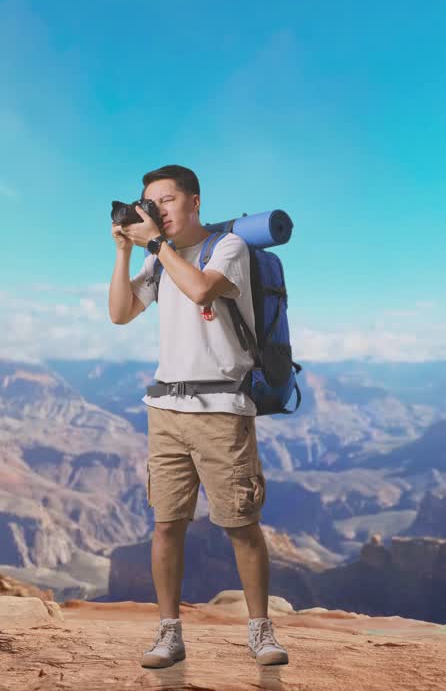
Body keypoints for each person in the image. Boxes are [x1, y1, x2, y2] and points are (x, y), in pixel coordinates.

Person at [108, 164, 289, 668]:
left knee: (240, 524)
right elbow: (120, 313)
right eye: (150, 202)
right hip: (165, 408)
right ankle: (169, 634)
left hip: (221, 410)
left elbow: (203, 290)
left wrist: (153, 247)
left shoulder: (226, 248)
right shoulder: (157, 260)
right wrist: (125, 251)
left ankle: (260, 631)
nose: (156, 210)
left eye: (166, 200)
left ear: (195, 202)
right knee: (166, 525)